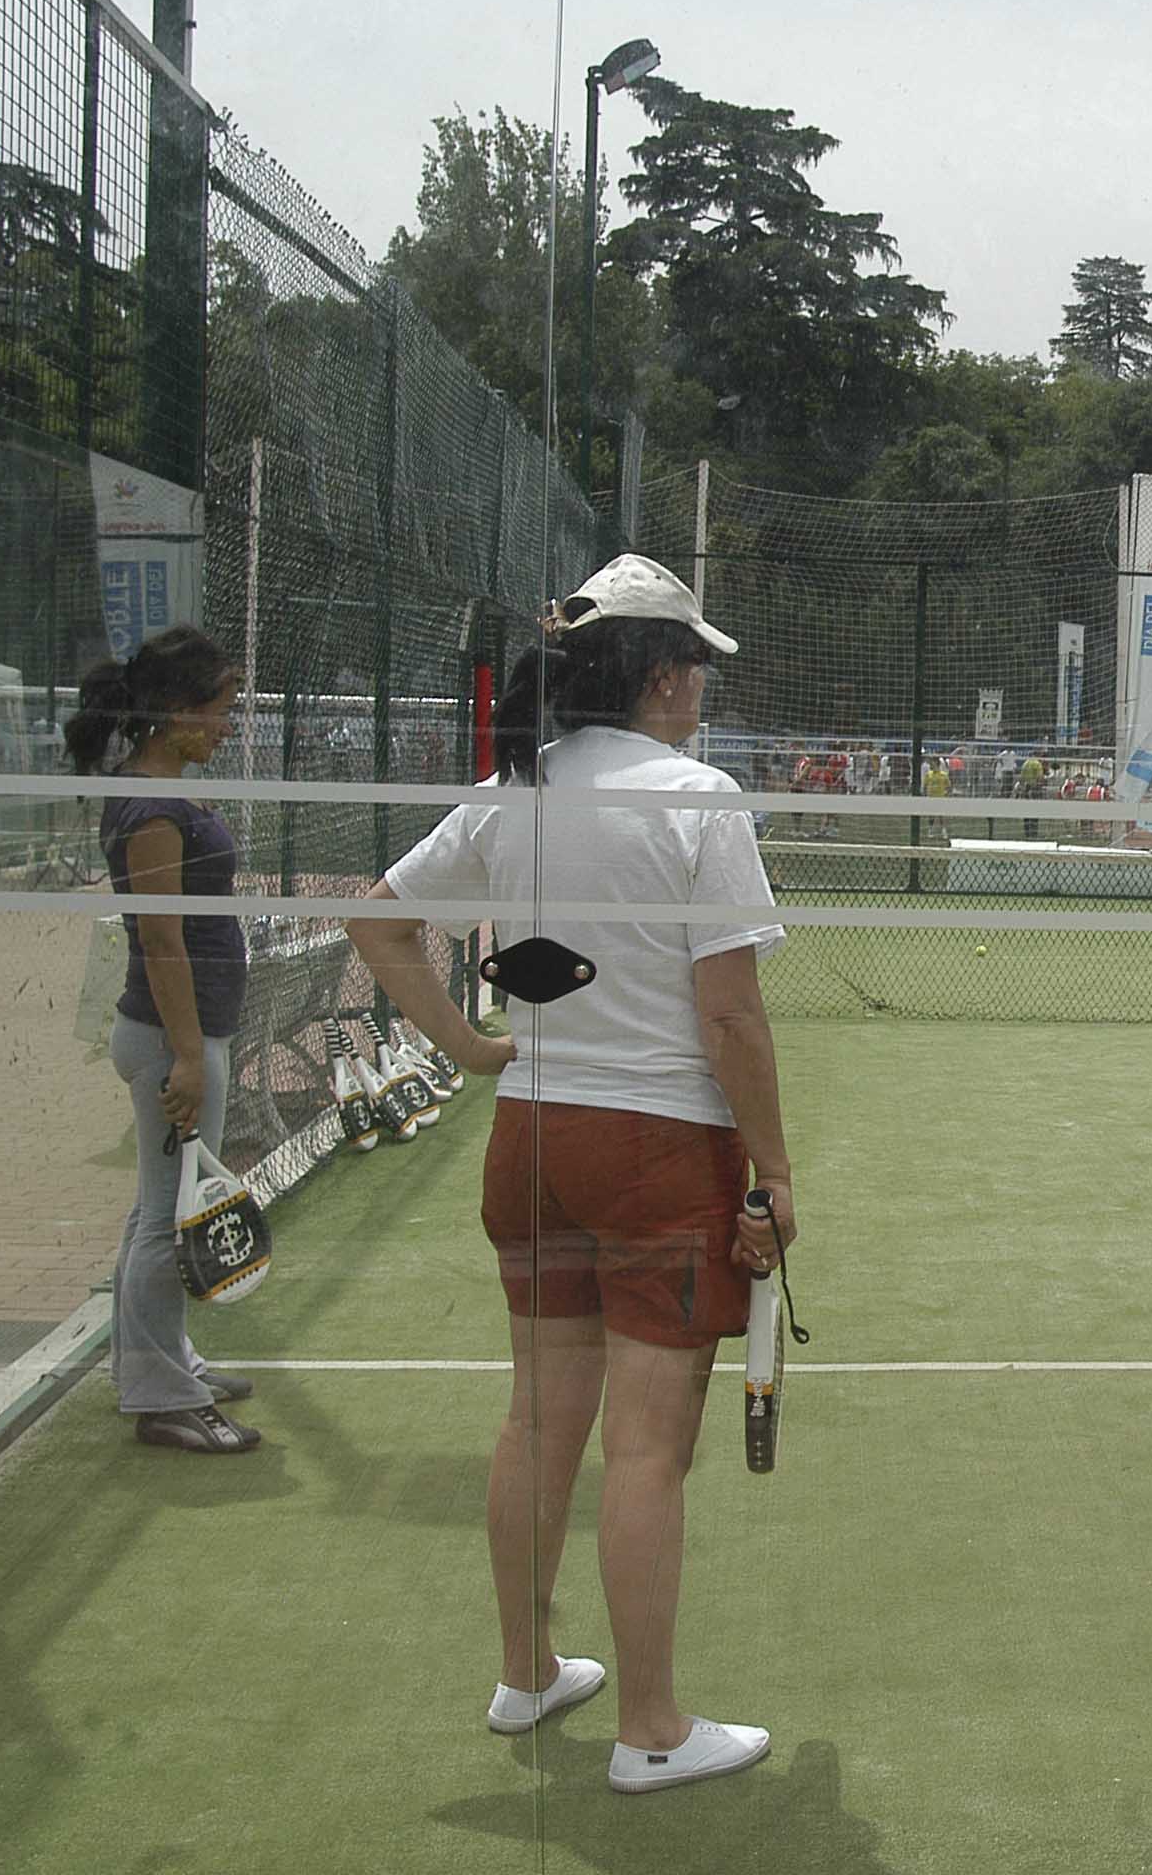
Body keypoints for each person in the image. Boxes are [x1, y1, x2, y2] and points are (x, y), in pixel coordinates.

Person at [346, 554, 796, 1794]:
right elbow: (732, 1019)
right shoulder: (697, 797)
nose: (702, 684)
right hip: (656, 1153)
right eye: (695, 663)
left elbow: (378, 919)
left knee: (537, 1421)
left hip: (532, 1143)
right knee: (648, 1451)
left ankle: (528, 1669)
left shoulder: (513, 788)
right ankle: (650, 1726)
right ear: (659, 675)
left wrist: (479, 1049)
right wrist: (775, 1170)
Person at [67, 626, 261, 1455]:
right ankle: (161, 1397)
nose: (228, 726)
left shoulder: (167, 790)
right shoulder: (152, 806)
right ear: (177, 713)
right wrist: (185, 1056)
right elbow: (161, 940)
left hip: (184, 1032)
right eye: (220, 711)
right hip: (167, 1037)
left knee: (157, 1210)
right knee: (164, 1221)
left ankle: (160, 1362)